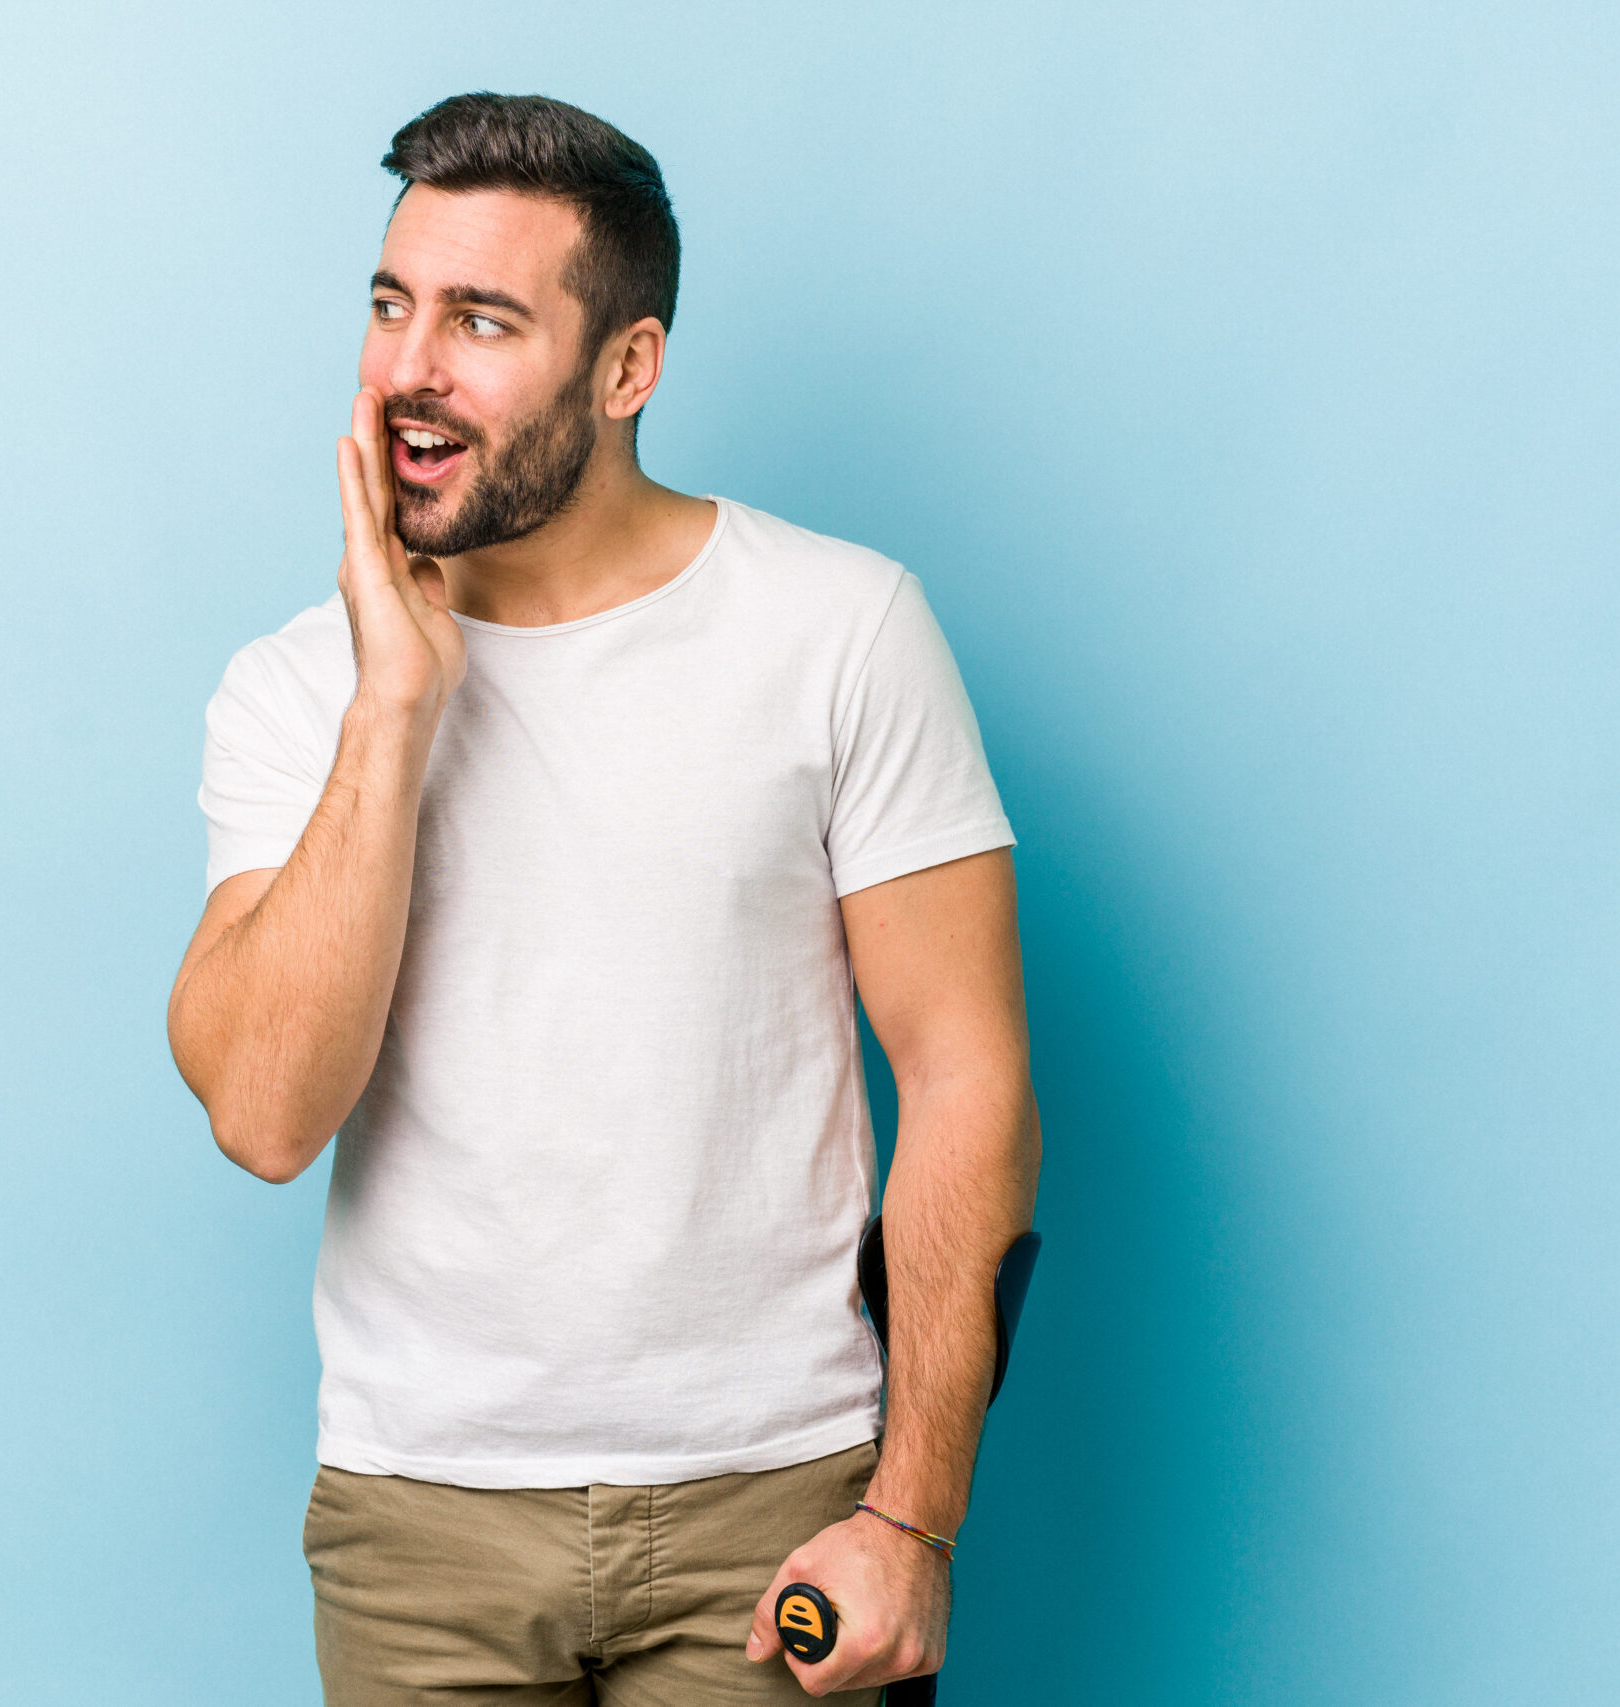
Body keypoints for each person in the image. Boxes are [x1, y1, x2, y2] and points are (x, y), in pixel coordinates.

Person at [166, 92, 1040, 1706]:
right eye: (389, 304)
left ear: (626, 368)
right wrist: (397, 708)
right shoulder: (300, 693)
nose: (408, 368)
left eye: (481, 320)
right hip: (419, 1524)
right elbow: (269, 1115)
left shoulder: (840, 631)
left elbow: (969, 1079)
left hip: (774, 1504)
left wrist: (912, 1519)